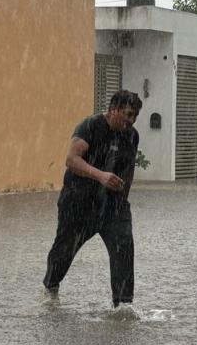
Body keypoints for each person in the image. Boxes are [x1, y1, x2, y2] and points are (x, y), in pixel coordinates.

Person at [43, 90, 142, 307]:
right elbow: (71, 159)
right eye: (127, 114)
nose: (130, 120)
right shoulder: (90, 126)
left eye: (134, 116)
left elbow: (129, 169)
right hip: (79, 203)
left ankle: (123, 306)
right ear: (113, 109)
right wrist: (100, 176)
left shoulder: (132, 135)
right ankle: (51, 288)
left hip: (113, 205)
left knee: (123, 248)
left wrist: (123, 200)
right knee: (64, 249)